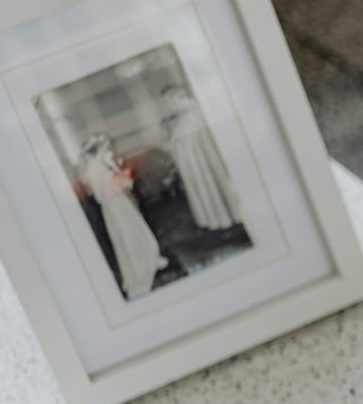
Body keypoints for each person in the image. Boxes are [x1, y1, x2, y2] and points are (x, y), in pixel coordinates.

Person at [77, 134, 165, 300]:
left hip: (119, 203)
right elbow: (102, 194)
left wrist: (116, 171)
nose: (108, 150)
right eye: (105, 147)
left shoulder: (101, 164)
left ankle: (149, 258)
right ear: (98, 150)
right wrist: (118, 178)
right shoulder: (95, 169)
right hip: (114, 207)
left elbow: (115, 181)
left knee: (136, 230)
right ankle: (139, 270)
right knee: (127, 236)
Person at [161, 85, 241, 231]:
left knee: (213, 186)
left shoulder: (193, 114)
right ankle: (222, 221)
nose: (168, 105)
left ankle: (230, 219)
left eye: (168, 101)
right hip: (195, 163)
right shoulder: (181, 118)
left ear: (176, 97)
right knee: (206, 189)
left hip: (203, 161)